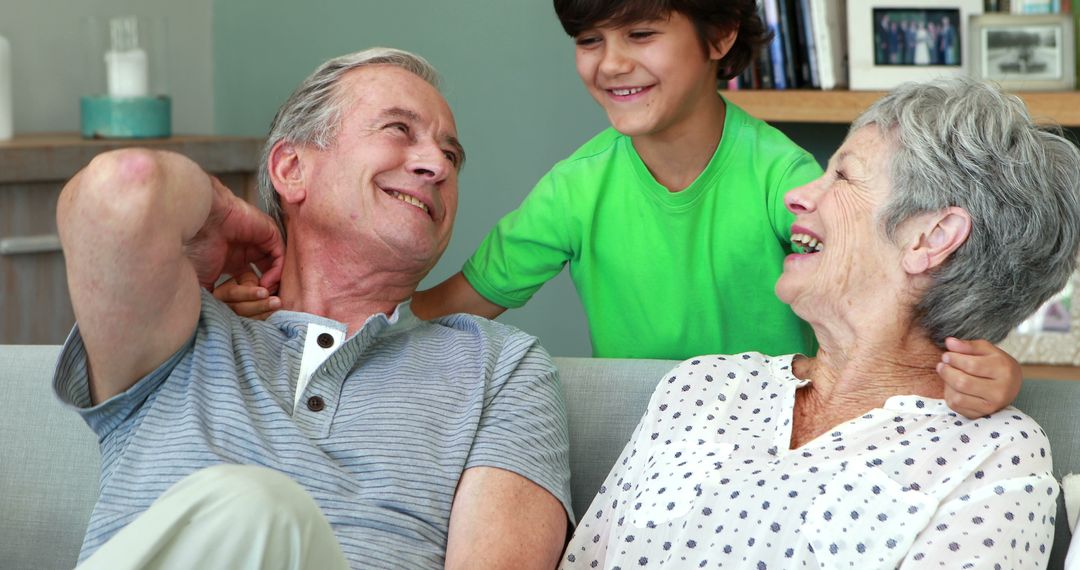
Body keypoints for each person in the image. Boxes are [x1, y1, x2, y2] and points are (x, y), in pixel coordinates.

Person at [218, 0, 1022, 416]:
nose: (610, 64)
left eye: (639, 32)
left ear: (718, 37)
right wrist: (291, 312)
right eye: (590, 39)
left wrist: (985, 369)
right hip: (655, 450)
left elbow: (897, 313)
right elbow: (441, 308)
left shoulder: (788, 180)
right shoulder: (577, 188)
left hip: (778, 435)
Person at [54, 48, 571, 570]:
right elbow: (122, 188)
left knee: (261, 508)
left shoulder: (499, 367)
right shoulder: (186, 332)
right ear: (292, 168)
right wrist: (221, 211)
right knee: (253, 507)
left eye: (451, 156)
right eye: (398, 130)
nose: (436, 165)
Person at [561, 77, 1078, 568]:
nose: (797, 195)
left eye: (844, 175)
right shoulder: (700, 386)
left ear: (931, 237)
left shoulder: (992, 456)